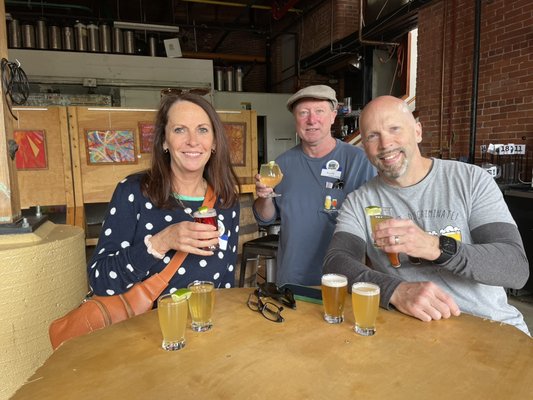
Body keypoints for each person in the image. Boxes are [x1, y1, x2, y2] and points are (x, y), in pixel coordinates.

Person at [324, 95, 530, 334]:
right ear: (365, 147)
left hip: (491, 328)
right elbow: (335, 263)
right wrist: (394, 290)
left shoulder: (471, 180)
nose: (385, 143)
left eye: (394, 129)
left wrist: (437, 247)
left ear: (418, 131)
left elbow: (515, 268)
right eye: (373, 136)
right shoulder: (360, 202)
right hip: (415, 333)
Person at [87, 93, 241, 296]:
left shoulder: (226, 200)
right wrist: (162, 241)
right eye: (180, 130)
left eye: (202, 130)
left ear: (214, 142)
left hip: (207, 325)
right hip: (146, 326)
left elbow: (226, 281)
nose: (193, 141)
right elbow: (100, 279)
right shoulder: (134, 192)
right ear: (164, 141)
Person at [253, 85, 376, 286]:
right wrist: (264, 196)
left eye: (319, 111)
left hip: (342, 282)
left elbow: (373, 224)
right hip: (292, 280)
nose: (312, 120)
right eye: (303, 113)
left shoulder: (358, 161)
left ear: (333, 116)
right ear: (295, 119)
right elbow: (265, 218)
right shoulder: (281, 164)